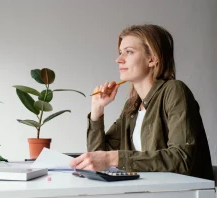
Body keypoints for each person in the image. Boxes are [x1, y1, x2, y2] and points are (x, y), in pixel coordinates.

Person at [69, 24, 214, 180]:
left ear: (152, 59)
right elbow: (98, 159)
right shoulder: (131, 107)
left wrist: (114, 158)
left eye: (129, 52)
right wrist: (97, 110)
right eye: (120, 53)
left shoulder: (174, 91)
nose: (119, 60)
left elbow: (180, 159)